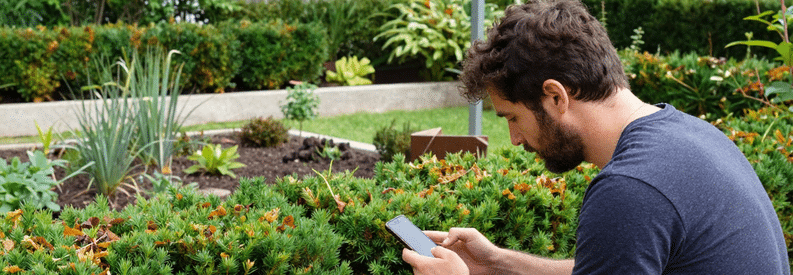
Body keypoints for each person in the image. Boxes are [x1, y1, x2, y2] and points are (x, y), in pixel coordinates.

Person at [401, 0, 791, 274]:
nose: (514, 138)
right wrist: (500, 264)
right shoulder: (691, 134)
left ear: (556, 97)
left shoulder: (631, 188)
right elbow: (614, 264)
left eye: (513, 118)